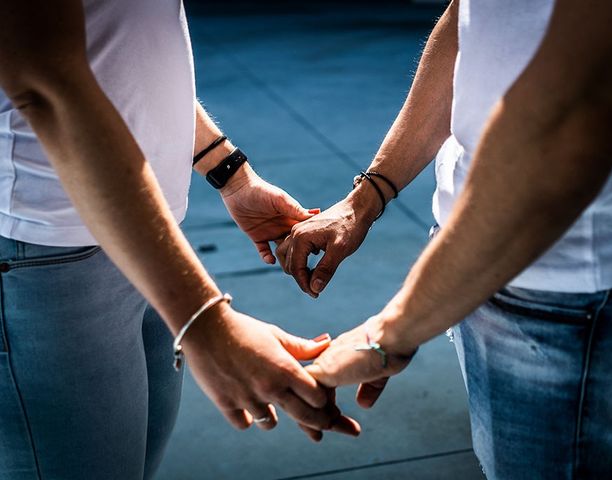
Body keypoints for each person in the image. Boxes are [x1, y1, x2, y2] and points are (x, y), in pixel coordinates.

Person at [278, 0, 612, 477]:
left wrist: (388, 334)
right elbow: (470, 21)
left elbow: (570, 122)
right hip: (494, 264)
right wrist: (367, 197)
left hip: (572, 291)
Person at [0, 1, 359, 478]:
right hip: (46, 249)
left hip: (141, 233)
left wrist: (231, 173)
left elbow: (120, 45)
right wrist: (203, 320)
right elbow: (45, 79)